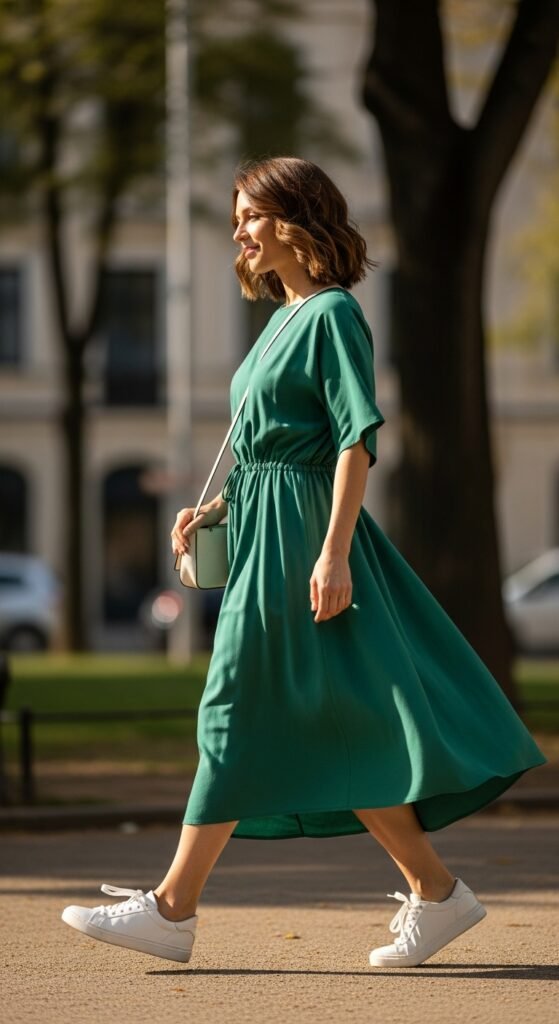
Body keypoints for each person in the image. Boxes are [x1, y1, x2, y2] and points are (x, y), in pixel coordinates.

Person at [62, 156, 545, 969]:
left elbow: (354, 439)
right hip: (261, 531)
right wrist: (212, 510)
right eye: (237, 219)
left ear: (294, 219)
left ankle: (173, 911)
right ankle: (436, 895)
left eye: (251, 214)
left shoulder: (331, 315)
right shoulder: (278, 321)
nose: (240, 232)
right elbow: (266, 450)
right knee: (333, 723)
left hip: (301, 541)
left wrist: (332, 553)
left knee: (232, 705)